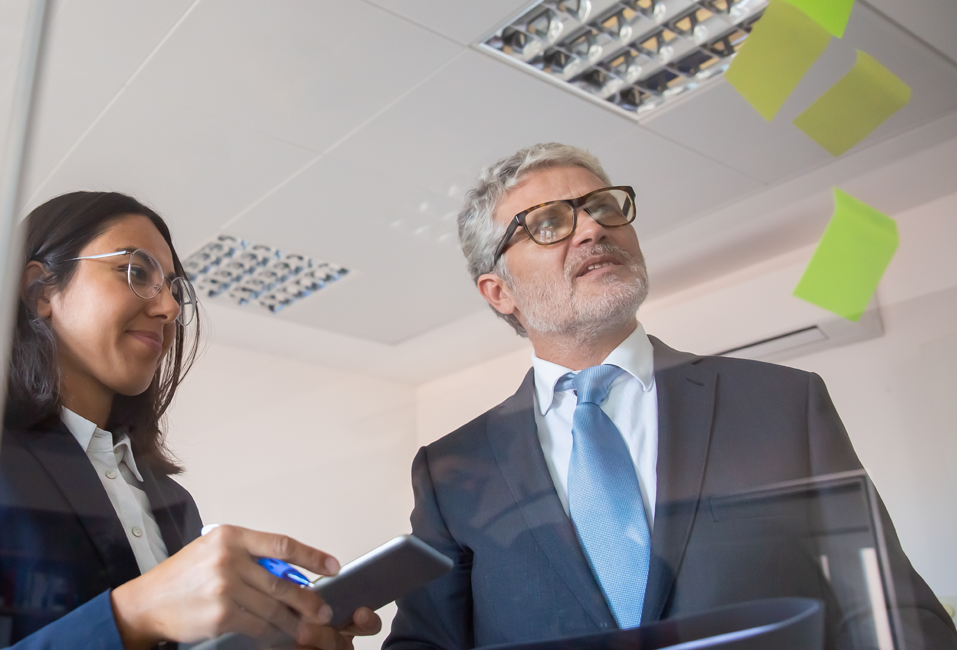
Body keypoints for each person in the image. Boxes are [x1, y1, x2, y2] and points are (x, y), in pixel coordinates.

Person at [383, 143, 956, 650]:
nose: (593, 229)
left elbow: (891, 609)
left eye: (602, 207)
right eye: (550, 223)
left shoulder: (782, 402)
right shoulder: (452, 471)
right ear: (498, 291)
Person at [0, 192, 381, 650]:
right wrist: (134, 613)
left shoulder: (173, 505)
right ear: (40, 291)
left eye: (174, 288)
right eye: (136, 272)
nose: (169, 308)